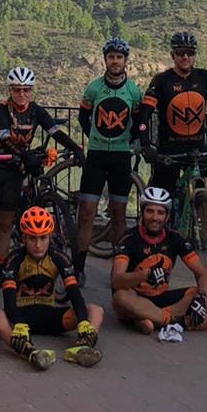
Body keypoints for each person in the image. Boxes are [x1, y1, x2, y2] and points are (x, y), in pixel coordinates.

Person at [0, 66, 84, 267]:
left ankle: (3, 266)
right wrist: (26, 155)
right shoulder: (1, 110)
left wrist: (75, 148)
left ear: (32, 91)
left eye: (26, 90)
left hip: (14, 170)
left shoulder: (36, 111)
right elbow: (6, 141)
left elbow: (55, 132)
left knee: (6, 223)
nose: (22, 94)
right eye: (17, 90)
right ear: (10, 90)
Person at [135, 31, 207, 201]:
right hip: (169, 151)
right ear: (173, 55)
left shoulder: (204, 77)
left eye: (190, 52)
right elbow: (144, 118)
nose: (185, 56)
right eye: (180, 53)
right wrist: (145, 145)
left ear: (195, 55)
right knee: (162, 201)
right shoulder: (161, 80)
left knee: (205, 199)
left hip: (198, 149)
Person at [0, 206, 104, 371]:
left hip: (50, 314)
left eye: (43, 238)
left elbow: (73, 292)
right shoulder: (13, 259)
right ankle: (31, 353)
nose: (38, 245)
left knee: (96, 311)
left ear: (50, 237)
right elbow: (8, 297)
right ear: (23, 238)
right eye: (32, 238)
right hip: (21, 316)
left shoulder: (59, 257)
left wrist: (83, 322)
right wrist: (17, 322)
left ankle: (83, 347)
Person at [110, 187, 207, 340]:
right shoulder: (129, 238)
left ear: (167, 216)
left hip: (163, 299)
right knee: (120, 298)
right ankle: (179, 322)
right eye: (150, 211)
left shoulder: (175, 238)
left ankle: (153, 320)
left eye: (160, 213)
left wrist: (201, 298)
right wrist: (144, 275)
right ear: (142, 213)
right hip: (135, 297)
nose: (155, 217)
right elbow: (116, 281)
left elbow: (204, 274)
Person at [74, 37, 141, 276]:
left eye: (119, 57)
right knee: (87, 212)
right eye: (111, 57)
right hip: (97, 155)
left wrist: (130, 140)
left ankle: (119, 271)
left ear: (125, 61)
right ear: (105, 59)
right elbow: (84, 117)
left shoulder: (134, 91)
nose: (115, 61)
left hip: (121, 157)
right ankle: (79, 268)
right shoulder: (93, 88)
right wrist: (95, 138)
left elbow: (138, 121)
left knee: (119, 214)